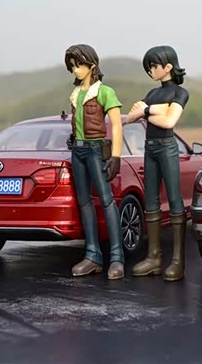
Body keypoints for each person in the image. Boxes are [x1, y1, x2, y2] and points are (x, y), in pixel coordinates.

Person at [126, 45, 189, 282]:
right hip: (149, 148)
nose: (151, 70)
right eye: (149, 67)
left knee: (174, 199)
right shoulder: (152, 92)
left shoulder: (180, 92)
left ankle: (178, 261)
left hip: (167, 148)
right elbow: (130, 117)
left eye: (153, 66)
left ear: (168, 66)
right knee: (151, 200)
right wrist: (155, 110)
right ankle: (154, 257)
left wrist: (147, 110)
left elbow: (169, 122)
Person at [64, 44, 125, 280]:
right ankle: (92, 256)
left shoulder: (105, 91)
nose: (75, 70)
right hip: (78, 151)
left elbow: (116, 125)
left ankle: (117, 257)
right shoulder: (76, 93)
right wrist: (74, 137)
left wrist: (116, 156)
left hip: (96, 150)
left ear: (91, 65)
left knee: (107, 201)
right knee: (84, 202)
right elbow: (79, 122)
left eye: (78, 65)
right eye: (72, 66)